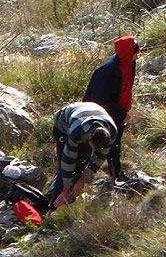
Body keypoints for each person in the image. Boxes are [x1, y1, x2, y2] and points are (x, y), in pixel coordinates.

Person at [83, 35, 138, 181]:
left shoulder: (128, 62)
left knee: (115, 144)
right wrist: (121, 114)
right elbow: (99, 100)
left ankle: (116, 173)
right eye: (136, 52)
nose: (138, 55)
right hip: (100, 112)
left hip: (117, 109)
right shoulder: (107, 71)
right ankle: (83, 176)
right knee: (96, 143)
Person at [46, 101, 118, 208]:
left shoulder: (111, 133)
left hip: (92, 115)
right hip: (63, 123)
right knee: (65, 171)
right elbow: (68, 160)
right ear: (89, 136)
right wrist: (66, 188)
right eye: (92, 146)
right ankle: (53, 208)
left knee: (80, 167)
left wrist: (83, 179)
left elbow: (99, 157)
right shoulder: (76, 130)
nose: (93, 150)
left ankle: (65, 203)